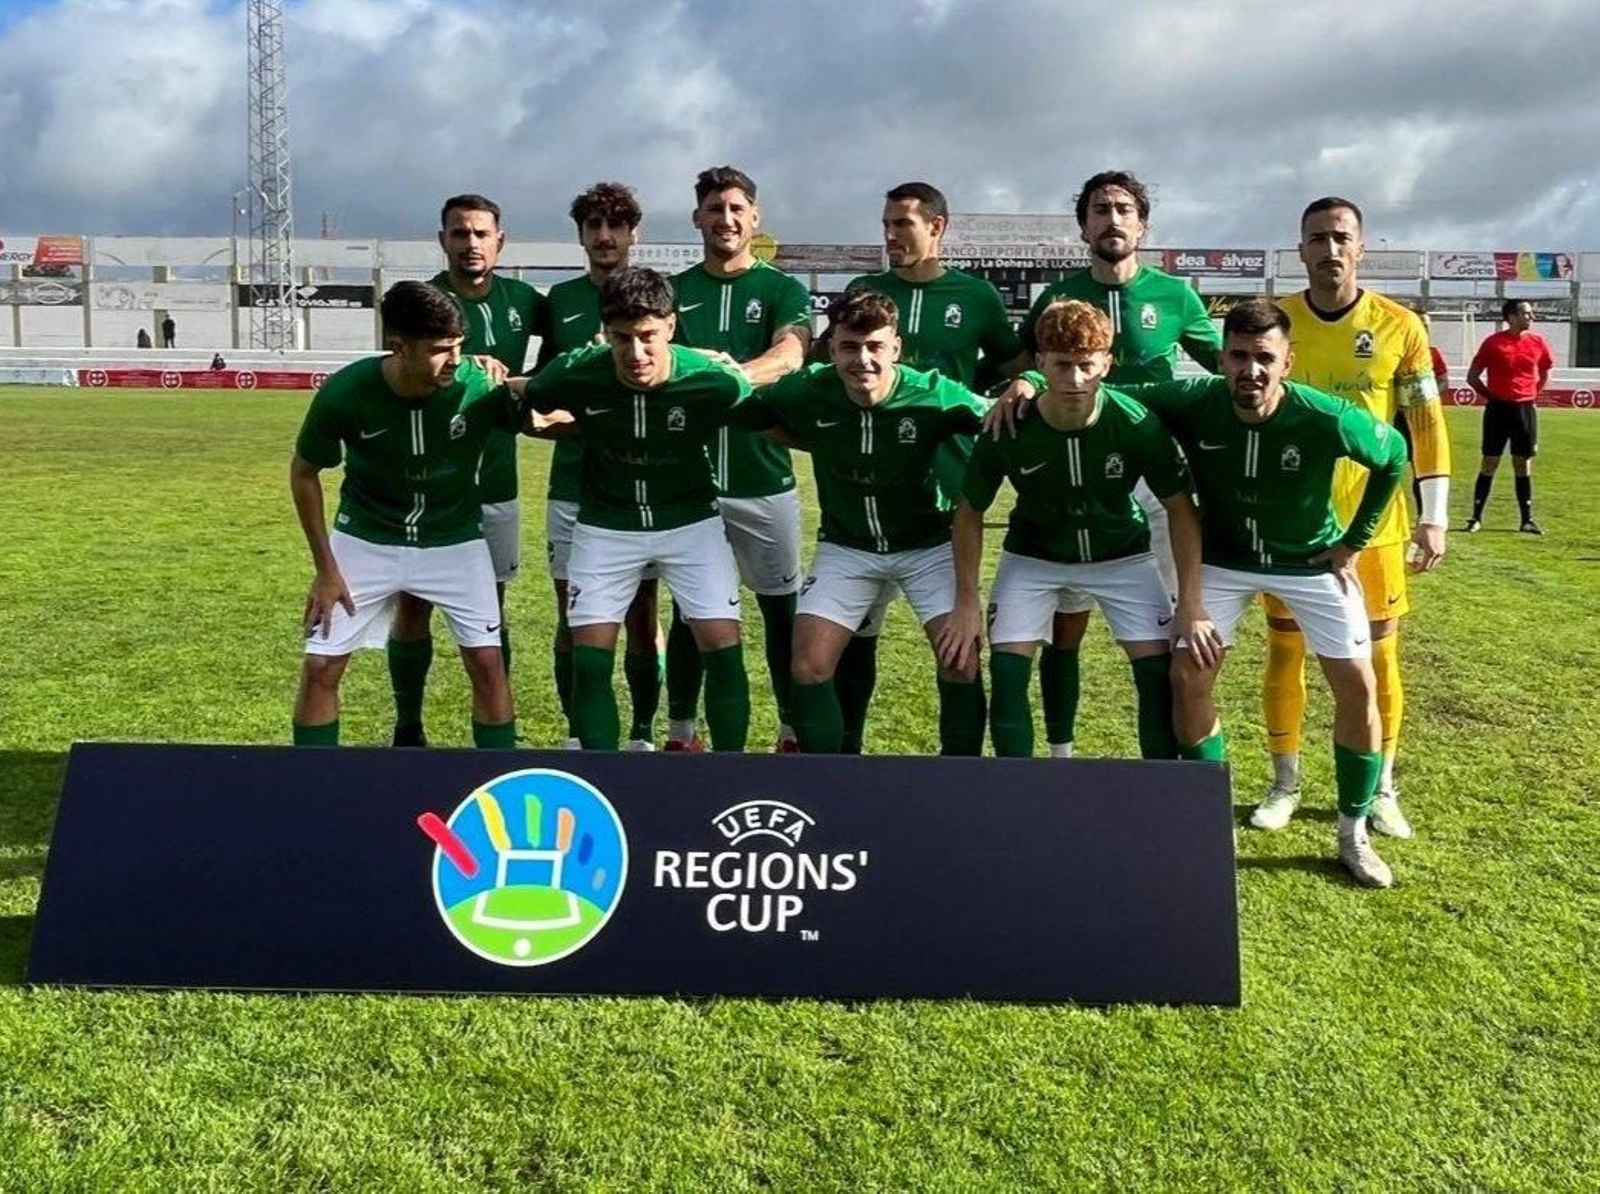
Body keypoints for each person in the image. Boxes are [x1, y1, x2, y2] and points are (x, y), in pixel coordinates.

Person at [1006, 170, 1220, 759]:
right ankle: (1060, 756)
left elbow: (1224, 365)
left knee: (1174, 637)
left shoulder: (1176, 296)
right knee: (1063, 630)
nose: (1112, 219)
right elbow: (1033, 364)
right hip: (1073, 482)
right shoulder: (1058, 296)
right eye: (1099, 209)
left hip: (1153, 484)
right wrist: (1022, 382)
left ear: (1143, 223)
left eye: (1124, 208)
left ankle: (1171, 771)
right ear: (1083, 226)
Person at [1256, 198, 1451, 841]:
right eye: (1317, 238)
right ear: (1301, 248)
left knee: (1379, 658)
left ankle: (1382, 788)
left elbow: (1424, 422)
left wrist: (1436, 516)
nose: (1330, 249)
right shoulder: (1274, 321)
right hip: (1292, 522)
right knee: (1287, 652)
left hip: (1376, 526)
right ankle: (1284, 783)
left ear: (1360, 247)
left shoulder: (1401, 326)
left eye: (1341, 237)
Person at [728, 290, 989, 755]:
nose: (863, 359)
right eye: (850, 347)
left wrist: (1029, 379)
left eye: (875, 347)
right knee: (808, 664)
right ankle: (831, 782)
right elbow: (753, 411)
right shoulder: (808, 388)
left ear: (896, 349)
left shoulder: (934, 392)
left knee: (960, 660)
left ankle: (960, 782)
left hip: (928, 544)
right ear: (831, 350)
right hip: (847, 546)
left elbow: (1002, 416)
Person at [511, 267, 754, 751]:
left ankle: (732, 775)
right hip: (607, 524)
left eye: (647, 336)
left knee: (723, 644)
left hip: (690, 522)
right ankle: (604, 778)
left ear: (670, 325)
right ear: (604, 333)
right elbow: (530, 398)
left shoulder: (714, 380)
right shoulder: (576, 371)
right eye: (621, 338)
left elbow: (769, 414)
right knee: (591, 655)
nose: (636, 353)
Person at [946, 300, 1199, 758]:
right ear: (1041, 362)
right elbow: (969, 512)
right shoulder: (1008, 424)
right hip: (1033, 556)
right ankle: (1020, 803)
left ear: (1107, 361)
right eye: (1062, 365)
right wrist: (966, 601)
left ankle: (1157, 801)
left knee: (1156, 677)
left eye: (1087, 365)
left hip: (1123, 554)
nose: (1076, 380)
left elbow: (1181, 510)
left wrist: (1190, 601)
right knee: (1007, 674)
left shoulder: (1137, 423)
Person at [828, 181, 1029, 753]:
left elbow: (1015, 367)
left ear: (938, 227)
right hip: (866, 493)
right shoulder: (865, 291)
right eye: (886, 224)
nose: (891, 235)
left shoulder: (979, 296)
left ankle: (957, 771)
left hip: (946, 489)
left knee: (957, 645)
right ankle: (846, 754)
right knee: (856, 632)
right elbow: (827, 364)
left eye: (903, 224)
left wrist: (1015, 384)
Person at [289, 280, 530, 749]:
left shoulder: (477, 384)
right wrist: (325, 569)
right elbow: (303, 472)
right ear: (397, 346)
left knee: (487, 664)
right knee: (321, 666)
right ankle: (311, 790)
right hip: (365, 539)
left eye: (459, 346)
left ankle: (502, 783)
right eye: (441, 350)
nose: (455, 360)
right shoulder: (346, 392)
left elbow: (544, 419)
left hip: (455, 539)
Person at [385, 194, 546, 748]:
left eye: (481, 233)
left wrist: (512, 379)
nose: (471, 244)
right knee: (414, 604)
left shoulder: (527, 299)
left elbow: (546, 375)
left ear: (500, 241)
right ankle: (409, 724)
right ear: (443, 240)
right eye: (460, 233)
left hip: (498, 481)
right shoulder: (421, 301)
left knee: (489, 611)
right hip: (425, 485)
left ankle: (497, 730)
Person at [665, 166, 812, 752]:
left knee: (782, 611)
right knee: (689, 615)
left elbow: (791, 353)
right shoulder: (673, 290)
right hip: (690, 482)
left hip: (763, 476)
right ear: (697, 218)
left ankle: (791, 731)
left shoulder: (782, 289)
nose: (725, 219)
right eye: (713, 209)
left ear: (754, 217)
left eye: (736, 209)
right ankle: (680, 732)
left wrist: (730, 377)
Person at [533, 182, 662, 751]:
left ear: (634, 233)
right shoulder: (558, 301)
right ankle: (577, 733)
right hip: (573, 483)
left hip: (644, 482)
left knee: (641, 613)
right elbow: (543, 388)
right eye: (593, 227)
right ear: (581, 235)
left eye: (616, 226)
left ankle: (641, 733)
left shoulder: (661, 297)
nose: (604, 237)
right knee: (572, 616)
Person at [1465, 298, 1552, 534]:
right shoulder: (1493, 343)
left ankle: (1527, 520)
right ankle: (1475, 518)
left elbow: (1545, 371)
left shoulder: (1538, 343)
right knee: (1489, 462)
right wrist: (1491, 396)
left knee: (1522, 463)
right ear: (1512, 317)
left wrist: (1532, 394)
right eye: (1527, 313)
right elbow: (1472, 376)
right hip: (1498, 410)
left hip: (1524, 409)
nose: (1531, 317)